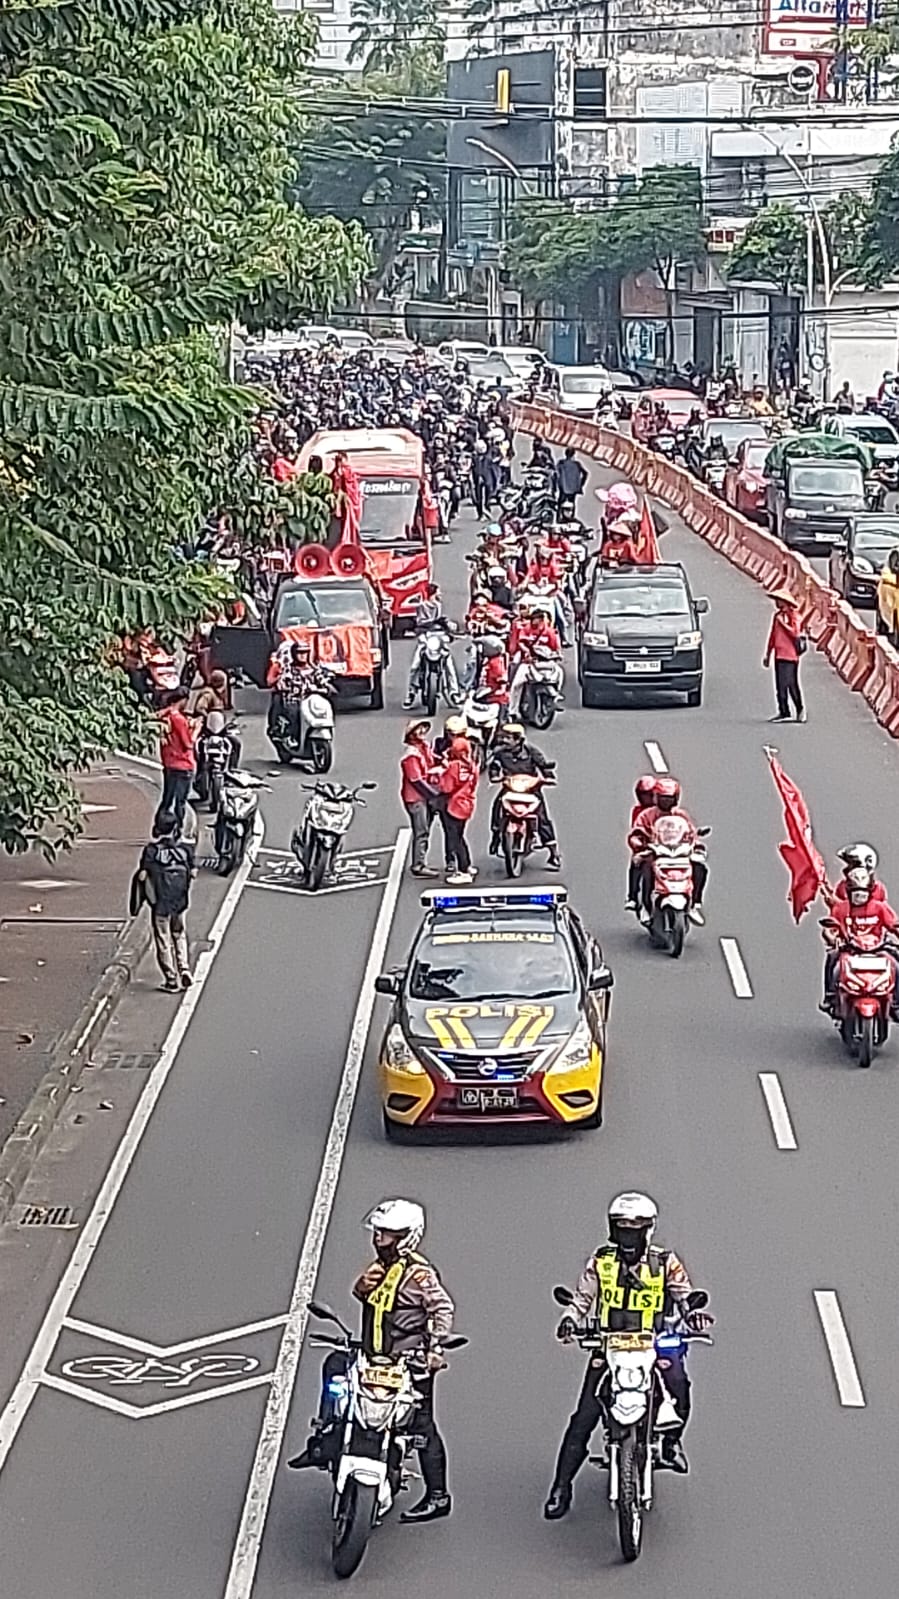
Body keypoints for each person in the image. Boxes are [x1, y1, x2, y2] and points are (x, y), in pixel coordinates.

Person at [544, 1192, 714, 1518]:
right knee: (584, 1417)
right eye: (621, 1230)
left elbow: (684, 1294)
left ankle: (671, 1443)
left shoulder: (665, 1263)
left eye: (634, 1231)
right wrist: (570, 1321)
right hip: (610, 1345)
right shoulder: (601, 1261)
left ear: (648, 1231)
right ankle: (561, 1487)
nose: (627, 1238)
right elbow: (582, 1298)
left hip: (653, 1343)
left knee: (679, 1385)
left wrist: (691, 1314)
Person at [290, 1198, 457, 1524]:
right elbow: (370, 1299)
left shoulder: (421, 1277)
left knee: (420, 1426)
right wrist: (362, 1286)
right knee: (336, 1373)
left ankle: (438, 1496)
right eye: (378, 1232)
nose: (379, 1239)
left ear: (407, 1237)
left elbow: (443, 1309)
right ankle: (323, 1440)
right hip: (372, 1354)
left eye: (387, 1234)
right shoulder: (380, 1269)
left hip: (409, 1363)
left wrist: (434, 1349)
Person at [821, 869, 899, 1017]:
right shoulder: (841, 909)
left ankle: (896, 1004)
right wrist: (832, 939)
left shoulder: (880, 908)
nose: (859, 897)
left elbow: (894, 925)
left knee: (897, 966)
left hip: (878, 949)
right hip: (850, 950)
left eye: (863, 893)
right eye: (855, 892)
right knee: (833, 962)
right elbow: (829, 929)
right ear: (848, 890)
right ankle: (830, 997)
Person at [629, 776, 707, 925]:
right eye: (663, 798)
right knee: (646, 870)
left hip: (678, 854)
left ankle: (694, 903)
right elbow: (636, 833)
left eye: (669, 798)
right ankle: (645, 906)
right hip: (657, 854)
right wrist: (639, 844)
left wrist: (696, 844)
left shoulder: (681, 815)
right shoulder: (646, 815)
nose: (666, 801)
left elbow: (690, 833)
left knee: (700, 868)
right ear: (656, 797)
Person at [134, 811, 196, 992]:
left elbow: (143, 875)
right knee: (179, 934)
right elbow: (193, 873)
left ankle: (171, 978)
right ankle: (184, 968)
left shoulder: (151, 851)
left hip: (160, 903)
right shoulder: (184, 850)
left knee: (163, 939)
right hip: (179, 902)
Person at [488, 723, 560, 868]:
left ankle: (553, 853)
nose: (505, 741)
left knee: (542, 818)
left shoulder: (532, 752)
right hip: (510, 788)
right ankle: (496, 837)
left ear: (518, 739)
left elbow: (544, 766)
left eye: (508, 738)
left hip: (531, 790)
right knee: (497, 808)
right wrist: (495, 776)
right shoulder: (500, 753)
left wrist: (548, 777)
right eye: (504, 737)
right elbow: (494, 768)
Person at [404, 583, 460, 709]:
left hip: (438, 637)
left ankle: (454, 692)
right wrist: (432, 623)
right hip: (426, 637)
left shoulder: (439, 606)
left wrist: (449, 629)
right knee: (415, 665)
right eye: (438, 592)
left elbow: (445, 624)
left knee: (449, 664)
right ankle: (411, 693)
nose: (440, 595)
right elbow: (420, 623)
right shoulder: (422, 606)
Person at [271, 640, 333, 744]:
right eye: (300, 653)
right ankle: (292, 737)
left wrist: (328, 686)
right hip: (295, 700)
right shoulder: (289, 669)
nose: (302, 656)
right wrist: (284, 686)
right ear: (294, 654)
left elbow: (321, 679)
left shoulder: (313, 668)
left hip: (312, 700)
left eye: (305, 653)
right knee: (295, 714)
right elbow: (282, 681)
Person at [508, 604, 564, 718]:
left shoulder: (550, 632)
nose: (535, 621)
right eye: (534, 619)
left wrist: (558, 655)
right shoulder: (526, 629)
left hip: (545, 663)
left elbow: (556, 648)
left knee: (559, 673)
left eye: (538, 619)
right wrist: (526, 652)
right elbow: (521, 642)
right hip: (528, 662)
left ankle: (555, 695)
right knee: (517, 684)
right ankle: (512, 710)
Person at [438, 732, 479, 884]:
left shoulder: (454, 766)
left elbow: (446, 787)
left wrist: (442, 772)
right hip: (466, 804)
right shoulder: (472, 766)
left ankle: (462, 872)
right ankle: (467, 865)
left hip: (453, 806)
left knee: (455, 839)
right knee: (460, 836)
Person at [400, 720, 440, 878]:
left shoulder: (424, 748)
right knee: (421, 831)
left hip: (423, 797)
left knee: (425, 829)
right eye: (418, 729)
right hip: (415, 798)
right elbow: (416, 780)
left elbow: (432, 760)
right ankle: (418, 864)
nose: (423, 731)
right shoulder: (411, 756)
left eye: (423, 728)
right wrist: (433, 795)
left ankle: (420, 861)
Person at [157, 686, 198, 828]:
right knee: (180, 801)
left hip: (169, 762)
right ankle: (178, 829)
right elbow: (188, 743)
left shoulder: (164, 716)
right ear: (183, 700)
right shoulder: (178, 719)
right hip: (183, 763)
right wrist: (196, 730)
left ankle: (159, 826)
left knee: (167, 798)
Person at [764, 589, 806, 723]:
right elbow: (773, 636)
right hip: (779, 654)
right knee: (780, 685)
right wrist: (768, 653)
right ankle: (783, 711)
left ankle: (799, 709)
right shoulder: (777, 616)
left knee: (790, 684)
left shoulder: (794, 617)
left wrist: (784, 624)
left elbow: (795, 633)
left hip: (790, 656)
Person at [625, 775, 660, 910]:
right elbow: (636, 828)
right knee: (636, 864)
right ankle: (632, 897)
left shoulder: (663, 810)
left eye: (650, 795)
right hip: (645, 845)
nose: (647, 798)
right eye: (644, 795)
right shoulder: (638, 811)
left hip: (664, 844)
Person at [556, 446, 587, 511]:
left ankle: (558, 518)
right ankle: (571, 516)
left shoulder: (561, 463)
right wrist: (580, 485)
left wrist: (558, 483)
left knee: (560, 504)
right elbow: (585, 473)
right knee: (572, 504)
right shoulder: (577, 464)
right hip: (573, 489)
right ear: (573, 454)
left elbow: (555, 473)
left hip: (563, 488)